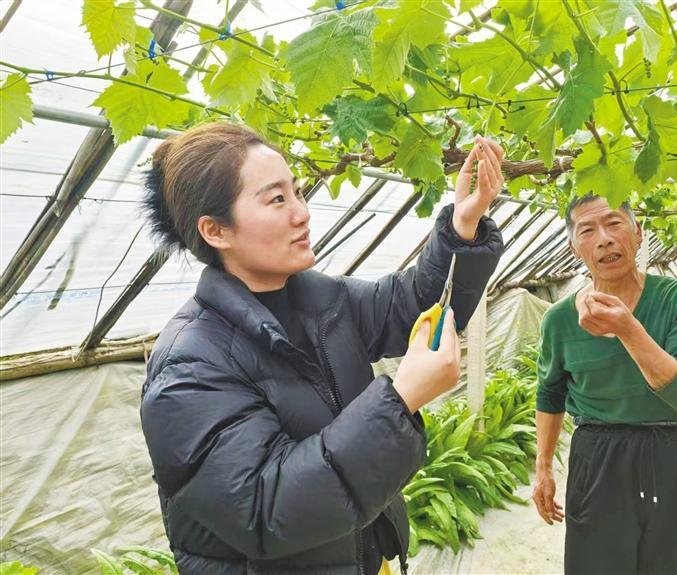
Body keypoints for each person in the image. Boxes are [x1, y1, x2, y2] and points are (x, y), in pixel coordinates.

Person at [139, 121, 505, 574]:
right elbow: (266, 510)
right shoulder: (189, 365)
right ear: (216, 231)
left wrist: (462, 225)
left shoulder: (323, 300)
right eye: (277, 199)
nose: (302, 213)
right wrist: (401, 398)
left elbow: (410, 305)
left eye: (297, 191)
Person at [532, 193, 677, 575]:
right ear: (574, 247)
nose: (604, 239)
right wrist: (544, 467)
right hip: (599, 458)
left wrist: (629, 330)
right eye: (588, 230)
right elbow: (550, 392)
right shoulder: (560, 320)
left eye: (614, 223)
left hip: (674, 453)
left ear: (638, 232)